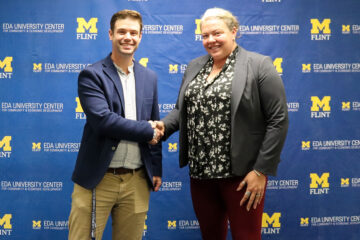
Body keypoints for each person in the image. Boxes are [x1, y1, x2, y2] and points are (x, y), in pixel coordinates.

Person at [154, 7, 288, 240]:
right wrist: (162, 127)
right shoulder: (195, 66)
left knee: (246, 236)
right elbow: (181, 111)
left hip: (242, 177)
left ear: (234, 31)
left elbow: (278, 120)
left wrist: (260, 171)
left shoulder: (259, 65)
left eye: (217, 33)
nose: (210, 40)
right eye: (205, 36)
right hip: (201, 175)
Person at [68, 9, 163, 240]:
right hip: (98, 179)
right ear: (111, 34)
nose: (127, 37)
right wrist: (147, 130)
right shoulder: (92, 75)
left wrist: (156, 168)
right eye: (121, 31)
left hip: (137, 179)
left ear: (141, 36)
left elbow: (155, 120)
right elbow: (104, 121)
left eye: (133, 32)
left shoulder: (149, 77)